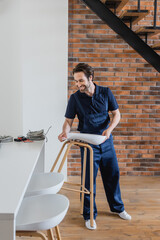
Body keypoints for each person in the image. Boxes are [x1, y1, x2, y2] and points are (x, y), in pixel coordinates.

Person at [58, 63, 131, 230]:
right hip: (88, 144)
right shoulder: (75, 98)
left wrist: (109, 130)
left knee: (112, 176)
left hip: (106, 142)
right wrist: (64, 132)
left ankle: (118, 208)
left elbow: (116, 114)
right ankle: (89, 215)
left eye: (81, 80)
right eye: (76, 81)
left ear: (91, 78)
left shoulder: (105, 92)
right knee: (88, 181)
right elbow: (68, 121)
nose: (78, 84)